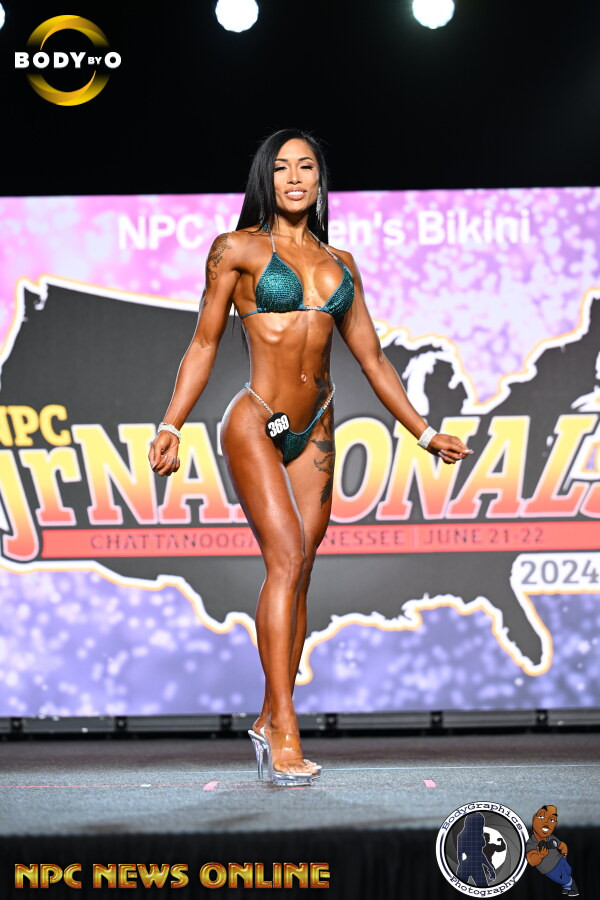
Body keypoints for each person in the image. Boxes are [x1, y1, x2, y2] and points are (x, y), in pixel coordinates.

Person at [148, 128, 473, 786]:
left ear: (321, 179)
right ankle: (286, 728)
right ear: (265, 179)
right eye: (281, 167)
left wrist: (422, 431)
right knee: (285, 560)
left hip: (317, 424)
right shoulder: (236, 248)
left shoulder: (341, 263)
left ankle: (270, 715)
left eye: (306, 167)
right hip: (255, 419)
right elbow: (205, 343)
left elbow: (372, 358)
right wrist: (171, 423)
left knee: (301, 573)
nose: (294, 177)